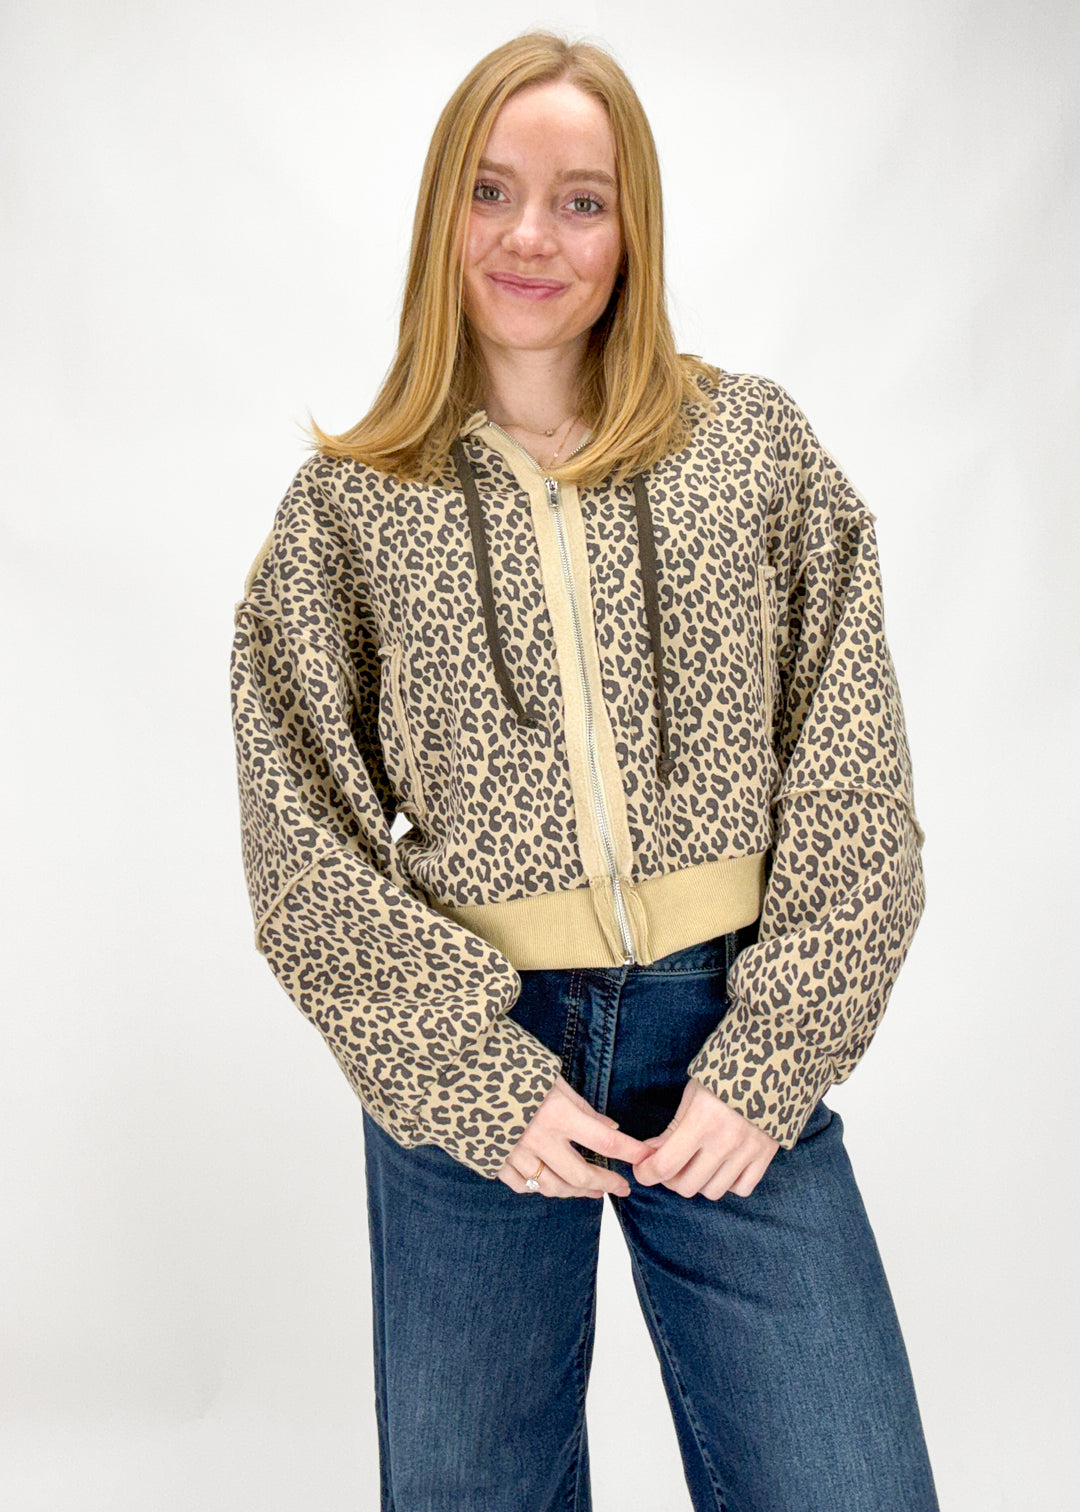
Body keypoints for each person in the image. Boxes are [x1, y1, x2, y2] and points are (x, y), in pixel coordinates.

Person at [229, 29, 940, 1512]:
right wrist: (476, 1081)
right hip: (478, 1051)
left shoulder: (751, 446)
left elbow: (854, 775)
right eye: (491, 192)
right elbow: (300, 841)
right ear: (443, 215)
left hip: (728, 1019)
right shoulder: (354, 506)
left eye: (580, 199)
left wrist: (774, 1052)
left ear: (635, 227)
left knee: (849, 1485)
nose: (531, 236)